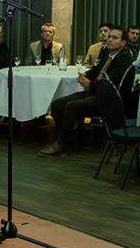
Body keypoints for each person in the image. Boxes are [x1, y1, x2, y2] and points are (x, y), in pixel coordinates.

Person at [39, 26, 132, 157]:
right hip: (95, 92)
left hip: (109, 99)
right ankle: (65, 141)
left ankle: (63, 144)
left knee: (72, 106)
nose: (110, 39)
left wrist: (90, 84)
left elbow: (111, 83)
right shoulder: (108, 53)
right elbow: (97, 69)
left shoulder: (125, 59)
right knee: (57, 104)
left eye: (114, 38)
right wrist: (86, 75)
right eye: (109, 36)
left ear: (123, 42)